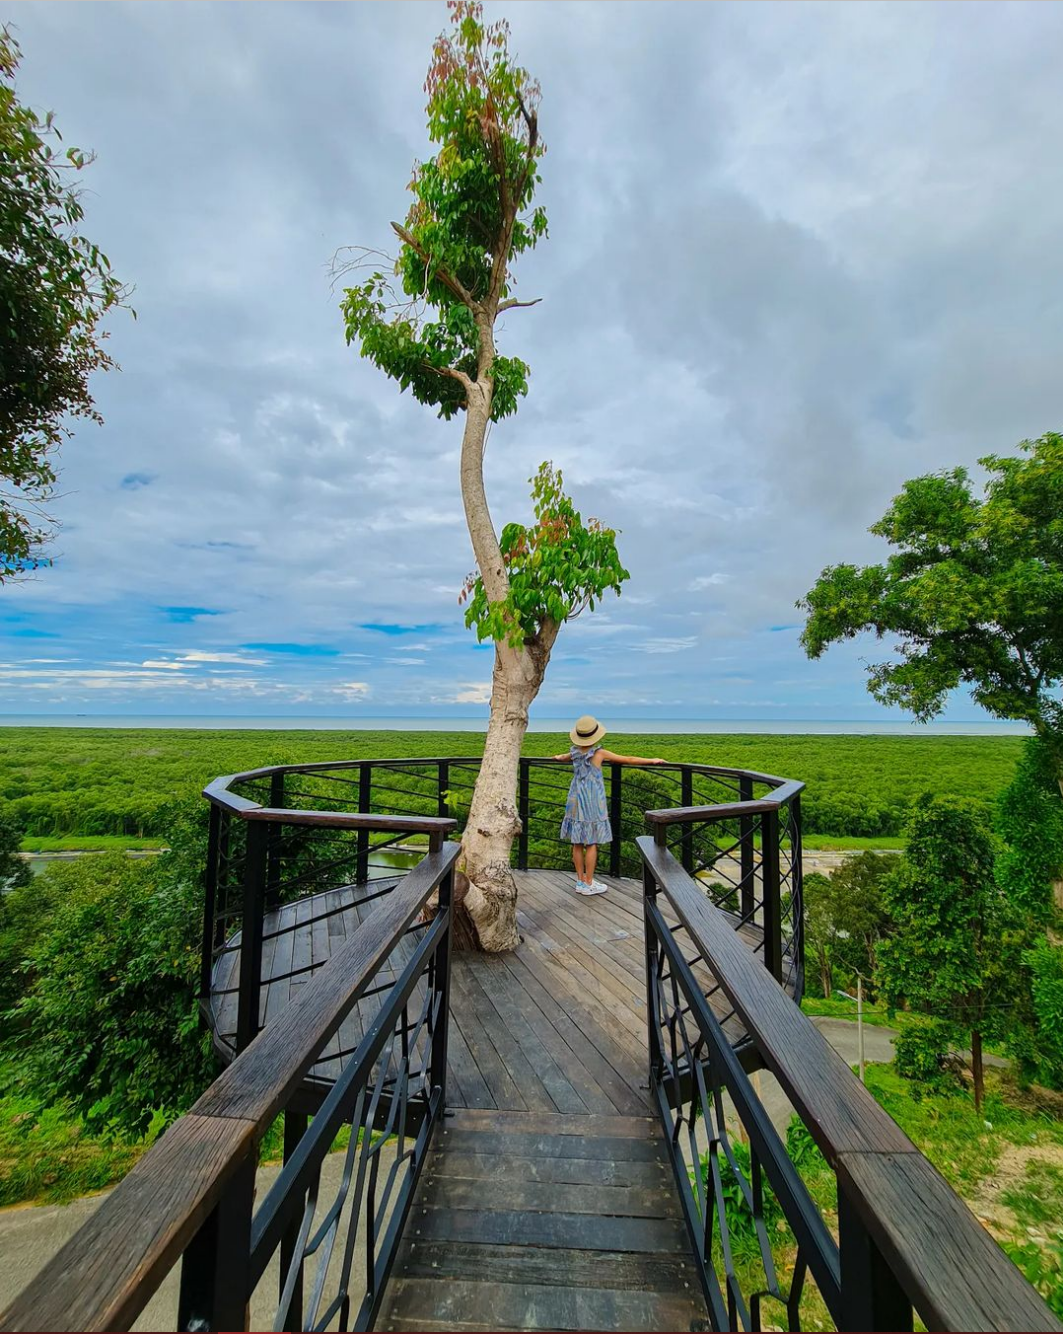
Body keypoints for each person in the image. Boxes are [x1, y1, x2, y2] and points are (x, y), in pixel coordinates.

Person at [552, 715, 667, 896]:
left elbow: (563, 757)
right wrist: (651, 760)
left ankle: (580, 881)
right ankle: (589, 883)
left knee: (576, 843)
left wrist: (557, 757)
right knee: (590, 843)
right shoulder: (599, 753)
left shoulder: (574, 752)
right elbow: (628, 759)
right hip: (591, 801)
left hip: (574, 799)